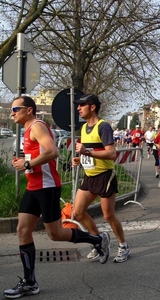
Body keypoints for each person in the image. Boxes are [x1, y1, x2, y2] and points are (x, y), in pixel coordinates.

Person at [4, 96, 110, 299]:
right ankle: (30, 282)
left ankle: (97, 238)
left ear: (29, 110)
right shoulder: (28, 129)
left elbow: (52, 152)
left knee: (56, 234)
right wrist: (25, 161)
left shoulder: (37, 126)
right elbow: (39, 156)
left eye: (16, 109)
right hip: (34, 187)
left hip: (47, 188)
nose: (12, 113)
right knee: (22, 229)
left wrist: (27, 165)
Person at [71, 94, 131, 263]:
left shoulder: (103, 126)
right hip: (89, 176)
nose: (78, 108)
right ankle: (99, 242)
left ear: (92, 107)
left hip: (105, 176)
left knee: (108, 215)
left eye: (82, 105)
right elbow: (90, 152)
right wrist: (80, 159)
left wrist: (86, 152)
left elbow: (111, 154)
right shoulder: (83, 128)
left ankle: (123, 245)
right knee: (78, 212)